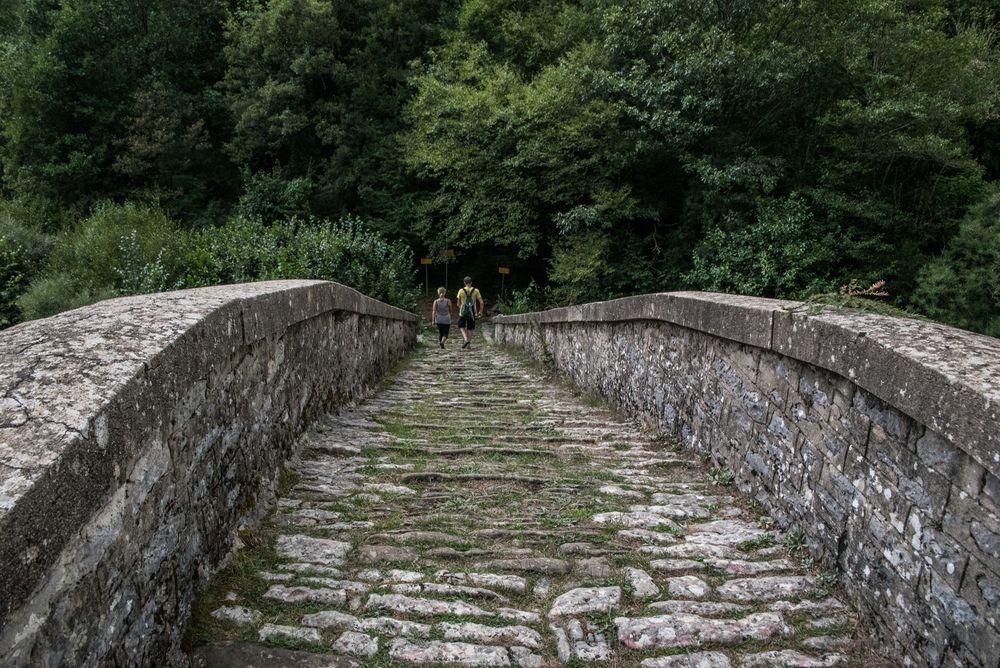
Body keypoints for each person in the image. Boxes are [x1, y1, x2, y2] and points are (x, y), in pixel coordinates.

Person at [456, 276, 484, 349]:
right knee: (470, 328)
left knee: (461, 326)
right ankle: (468, 344)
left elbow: (458, 304)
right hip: (472, 313)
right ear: (471, 282)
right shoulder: (476, 290)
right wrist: (480, 312)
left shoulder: (461, 291)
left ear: (464, 283)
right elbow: (481, 303)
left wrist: (462, 308)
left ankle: (465, 339)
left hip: (462, 313)